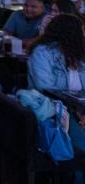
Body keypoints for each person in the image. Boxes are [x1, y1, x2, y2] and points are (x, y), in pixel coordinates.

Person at [27, 14, 85, 155]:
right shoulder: (43, 52)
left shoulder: (79, 53)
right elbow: (45, 87)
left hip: (78, 108)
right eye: (82, 31)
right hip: (55, 108)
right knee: (81, 142)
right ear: (72, 33)